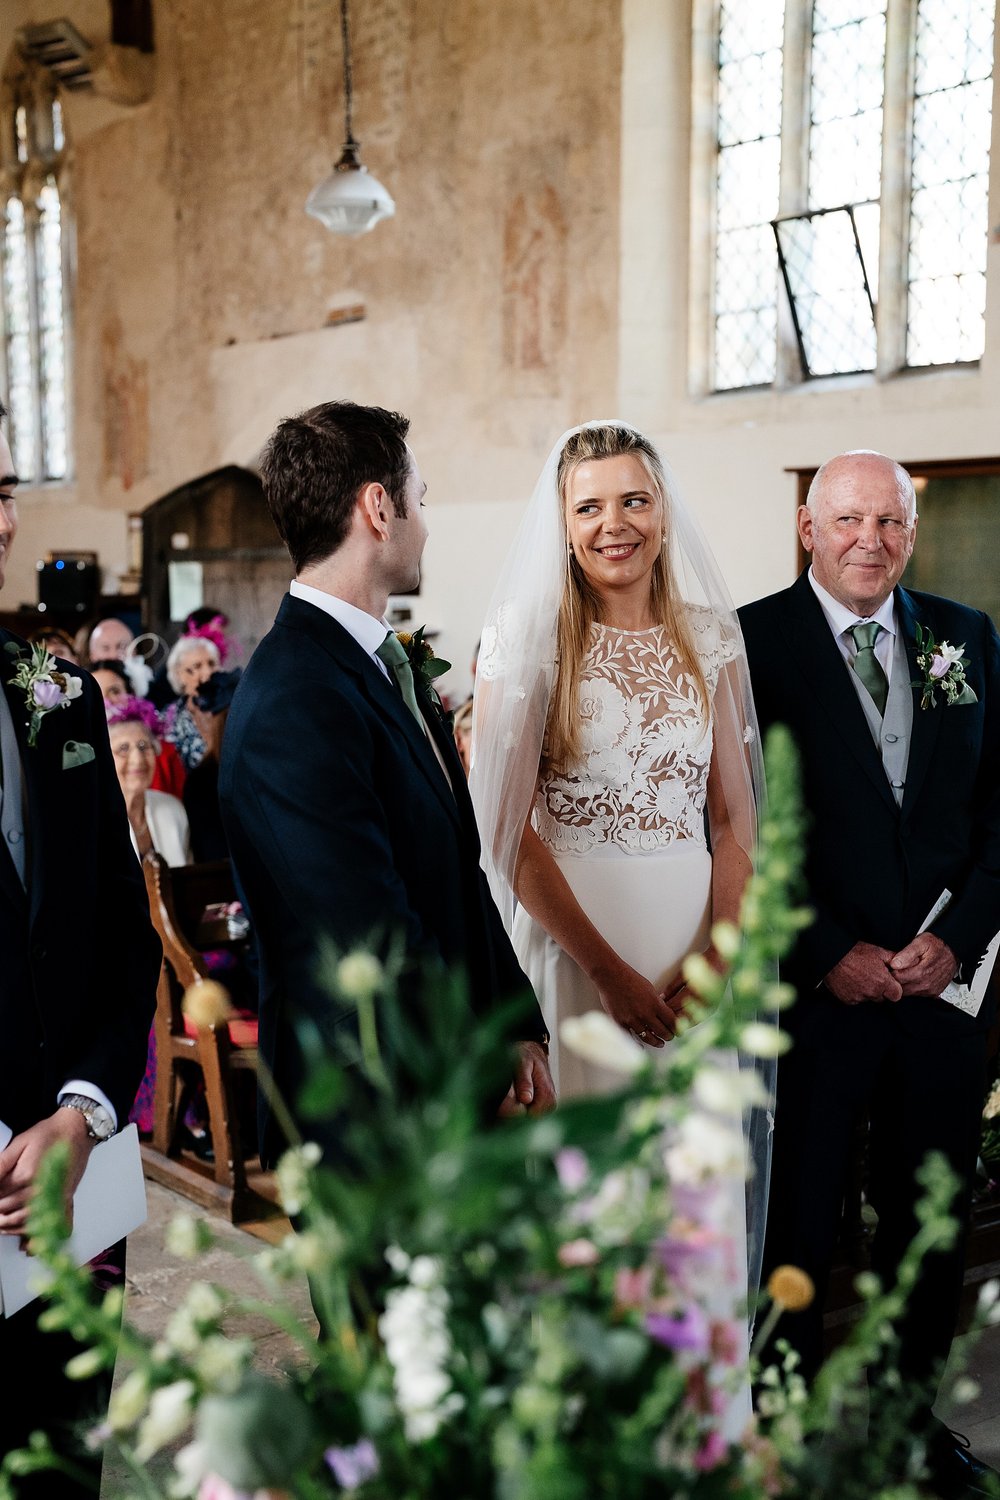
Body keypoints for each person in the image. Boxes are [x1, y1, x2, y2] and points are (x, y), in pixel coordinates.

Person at [470, 422, 770, 1431]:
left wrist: (715, 953)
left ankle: (696, 1435)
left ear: (662, 510)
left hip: (693, 962)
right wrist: (605, 973)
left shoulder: (709, 635)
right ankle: (592, 1438)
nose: (614, 524)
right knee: (587, 1210)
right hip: (574, 966)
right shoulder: (528, 638)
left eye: (633, 500)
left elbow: (733, 819)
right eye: (590, 505)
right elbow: (506, 834)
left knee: (689, 1203)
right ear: (560, 523)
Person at [739, 449, 1000, 1497]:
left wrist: (961, 936)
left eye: (888, 523)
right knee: (798, 1222)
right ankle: (779, 1425)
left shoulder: (962, 637)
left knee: (923, 1223)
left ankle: (907, 1418)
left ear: (910, 530)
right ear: (808, 528)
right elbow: (733, 829)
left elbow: (995, 812)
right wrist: (820, 954)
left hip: (936, 997)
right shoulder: (747, 645)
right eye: (846, 521)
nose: (869, 543)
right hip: (817, 1000)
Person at [218, 401, 554, 1175]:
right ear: (378, 507)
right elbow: (368, 929)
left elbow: (457, 875)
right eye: (421, 498)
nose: (426, 522)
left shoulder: (380, 662)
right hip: (373, 1107)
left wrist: (516, 1023)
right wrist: (474, 1072)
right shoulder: (296, 697)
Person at [0, 403, 160, 1495]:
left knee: (66, 1466)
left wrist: (83, 1109)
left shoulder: (56, 697)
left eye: (1, 492)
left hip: (66, 1182)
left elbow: (119, 932)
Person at [107, 697, 192, 868]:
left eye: (144, 746)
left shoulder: (173, 809)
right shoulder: (95, 821)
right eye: (123, 748)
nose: (137, 760)